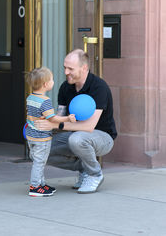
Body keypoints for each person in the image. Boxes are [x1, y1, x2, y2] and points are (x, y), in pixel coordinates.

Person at [34, 49, 117, 194]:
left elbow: (89, 126)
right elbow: (60, 119)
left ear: (84, 68)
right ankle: (84, 169)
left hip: (103, 137)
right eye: (65, 68)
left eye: (70, 69)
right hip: (74, 135)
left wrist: (56, 124)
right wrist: (43, 124)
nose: (66, 72)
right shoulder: (65, 87)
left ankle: (94, 174)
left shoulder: (99, 87)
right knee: (39, 149)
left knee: (77, 138)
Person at [25, 67, 76, 197]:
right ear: (46, 84)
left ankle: (41, 184)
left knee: (38, 161)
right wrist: (67, 118)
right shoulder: (45, 101)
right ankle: (35, 187)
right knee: (39, 162)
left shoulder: (30, 98)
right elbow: (52, 118)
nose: (54, 82)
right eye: (52, 79)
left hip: (31, 136)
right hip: (42, 137)